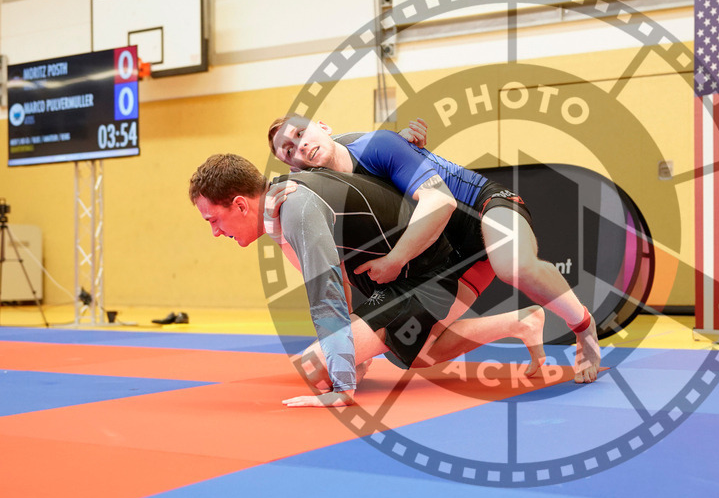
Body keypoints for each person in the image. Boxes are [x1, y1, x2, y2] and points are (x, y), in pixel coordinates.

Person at [189, 153, 547, 407]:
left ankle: (523, 321)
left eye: (212, 220)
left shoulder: (295, 208)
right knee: (417, 354)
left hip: (432, 273)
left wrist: (342, 386)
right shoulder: (279, 206)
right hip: (396, 278)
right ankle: (521, 322)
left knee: (316, 366)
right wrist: (351, 349)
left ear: (239, 204)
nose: (215, 233)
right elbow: (337, 281)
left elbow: (324, 295)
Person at [267, 115, 602, 383]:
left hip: (477, 206)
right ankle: (522, 322)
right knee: (415, 352)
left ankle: (584, 329)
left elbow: (441, 201)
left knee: (513, 264)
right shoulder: (323, 191)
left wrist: (396, 259)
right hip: (442, 249)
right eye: (287, 150)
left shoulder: (376, 144)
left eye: (300, 133)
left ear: (323, 126)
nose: (299, 145)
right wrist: (278, 231)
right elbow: (329, 269)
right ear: (292, 166)